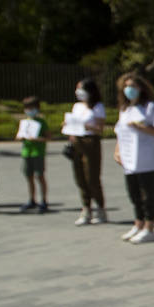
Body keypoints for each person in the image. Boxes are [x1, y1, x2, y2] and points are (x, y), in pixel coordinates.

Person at [113, 72, 154, 244]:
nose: (129, 89)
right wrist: (117, 150)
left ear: (141, 88)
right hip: (128, 158)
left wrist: (141, 128)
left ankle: (150, 228)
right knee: (133, 193)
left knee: (147, 194)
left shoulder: (150, 107)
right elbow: (121, 132)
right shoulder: (125, 109)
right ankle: (138, 223)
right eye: (126, 86)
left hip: (145, 158)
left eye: (133, 86)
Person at [66, 77, 107, 226]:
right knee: (80, 176)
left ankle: (100, 208)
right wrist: (68, 127)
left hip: (90, 141)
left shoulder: (97, 107)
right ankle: (86, 208)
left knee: (92, 177)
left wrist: (85, 125)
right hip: (77, 140)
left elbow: (100, 128)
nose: (78, 92)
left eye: (81, 89)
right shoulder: (77, 106)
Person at [18, 96, 49, 214]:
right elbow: (20, 136)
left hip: (38, 152)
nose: (29, 110)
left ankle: (44, 200)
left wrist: (37, 139)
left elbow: (48, 137)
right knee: (29, 177)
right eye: (27, 108)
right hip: (26, 152)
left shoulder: (41, 122)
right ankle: (32, 199)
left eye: (31, 108)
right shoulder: (25, 122)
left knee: (39, 176)